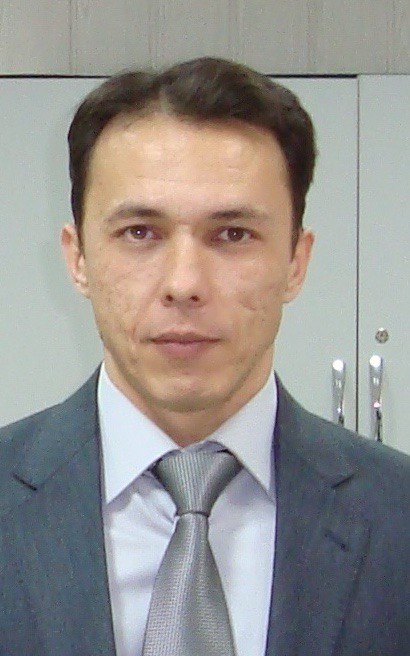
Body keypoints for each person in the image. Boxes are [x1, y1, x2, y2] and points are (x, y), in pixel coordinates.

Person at [0, 57, 408, 656]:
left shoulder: (397, 518)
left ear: (296, 261)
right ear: (78, 257)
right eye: (140, 232)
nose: (184, 283)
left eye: (233, 234)